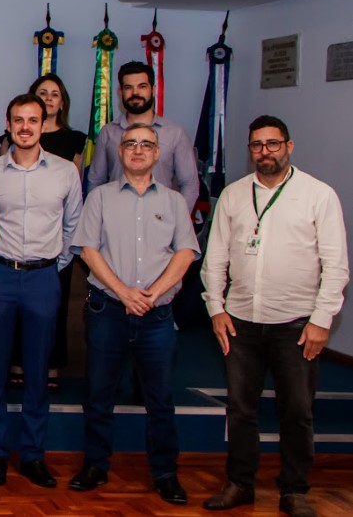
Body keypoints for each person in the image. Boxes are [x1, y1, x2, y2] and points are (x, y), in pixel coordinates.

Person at [201, 116, 348, 517]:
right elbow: (215, 258)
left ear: (289, 146)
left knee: (297, 411)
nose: (265, 151)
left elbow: (336, 266)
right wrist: (216, 308)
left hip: (297, 325)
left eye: (273, 144)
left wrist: (321, 320)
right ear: (250, 150)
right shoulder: (233, 195)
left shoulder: (318, 195)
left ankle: (294, 490)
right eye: (257, 145)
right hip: (240, 322)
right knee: (240, 409)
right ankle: (240, 484)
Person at [68, 123, 199, 505]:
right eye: (130, 144)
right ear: (119, 151)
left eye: (146, 145)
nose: (138, 150)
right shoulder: (100, 197)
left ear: (157, 154)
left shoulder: (174, 201)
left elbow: (185, 253)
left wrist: (152, 294)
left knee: (160, 399)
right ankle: (95, 465)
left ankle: (165, 473)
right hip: (108, 310)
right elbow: (88, 250)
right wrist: (124, 293)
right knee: (99, 394)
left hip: (157, 316)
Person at [0, 95, 82, 488]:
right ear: (8, 124)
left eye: (32, 120)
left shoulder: (65, 172)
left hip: (43, 278)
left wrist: (53, 266)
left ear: (43, 124)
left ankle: (34, 456)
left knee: (38, 372)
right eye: (18, 120)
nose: (25, 127)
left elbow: (73, 226)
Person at [0, 73, 87, 390]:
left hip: (52, 252)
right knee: (11, 318)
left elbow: (74, 208)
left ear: (61, 103)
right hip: (9, 256)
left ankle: (49, 367)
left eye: (54, 94)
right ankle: (16, 365)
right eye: (42, 92)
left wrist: (60, 257)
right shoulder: (4, 150)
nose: (48, 98)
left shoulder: (72, 148)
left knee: (51, 316)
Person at [85, 61, 199, 204]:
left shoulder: (175, 134)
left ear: (153, 90)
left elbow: (190, 185)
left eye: (142, 86)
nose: (135, 93)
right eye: (128, 87)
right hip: (116, 215)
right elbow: (95, 181)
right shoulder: (108, 132)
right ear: (120, 92)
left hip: (160, 215)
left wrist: (176, 216)